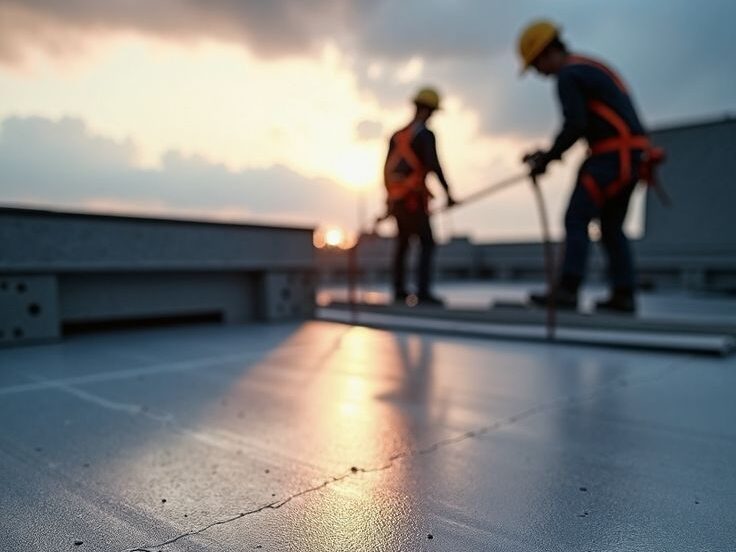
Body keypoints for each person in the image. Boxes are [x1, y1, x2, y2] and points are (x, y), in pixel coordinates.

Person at [518, 20, 651, 314]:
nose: (539, 74)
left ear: (546, 53)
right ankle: (624, 294)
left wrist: (546, 158)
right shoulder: (588, 66)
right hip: (633, 157)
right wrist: (549, 155)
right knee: (611, 226)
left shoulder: (568, 75)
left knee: (576, 218)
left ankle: (567, 290)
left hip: (611, 158)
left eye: (536, 65)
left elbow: (575, 124)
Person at [384, 87, 456, 305]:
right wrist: (448, 193)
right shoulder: (425, 135)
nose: (433, 116)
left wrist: (389, 200)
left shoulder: (397, 135)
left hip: (397, 199)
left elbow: (385, 171)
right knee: (426, 242)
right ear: (426, 110)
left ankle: (398, 291)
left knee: (403, 243)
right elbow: (434, 164)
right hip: (413, 200)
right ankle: (423, 293)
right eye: (432, 112)